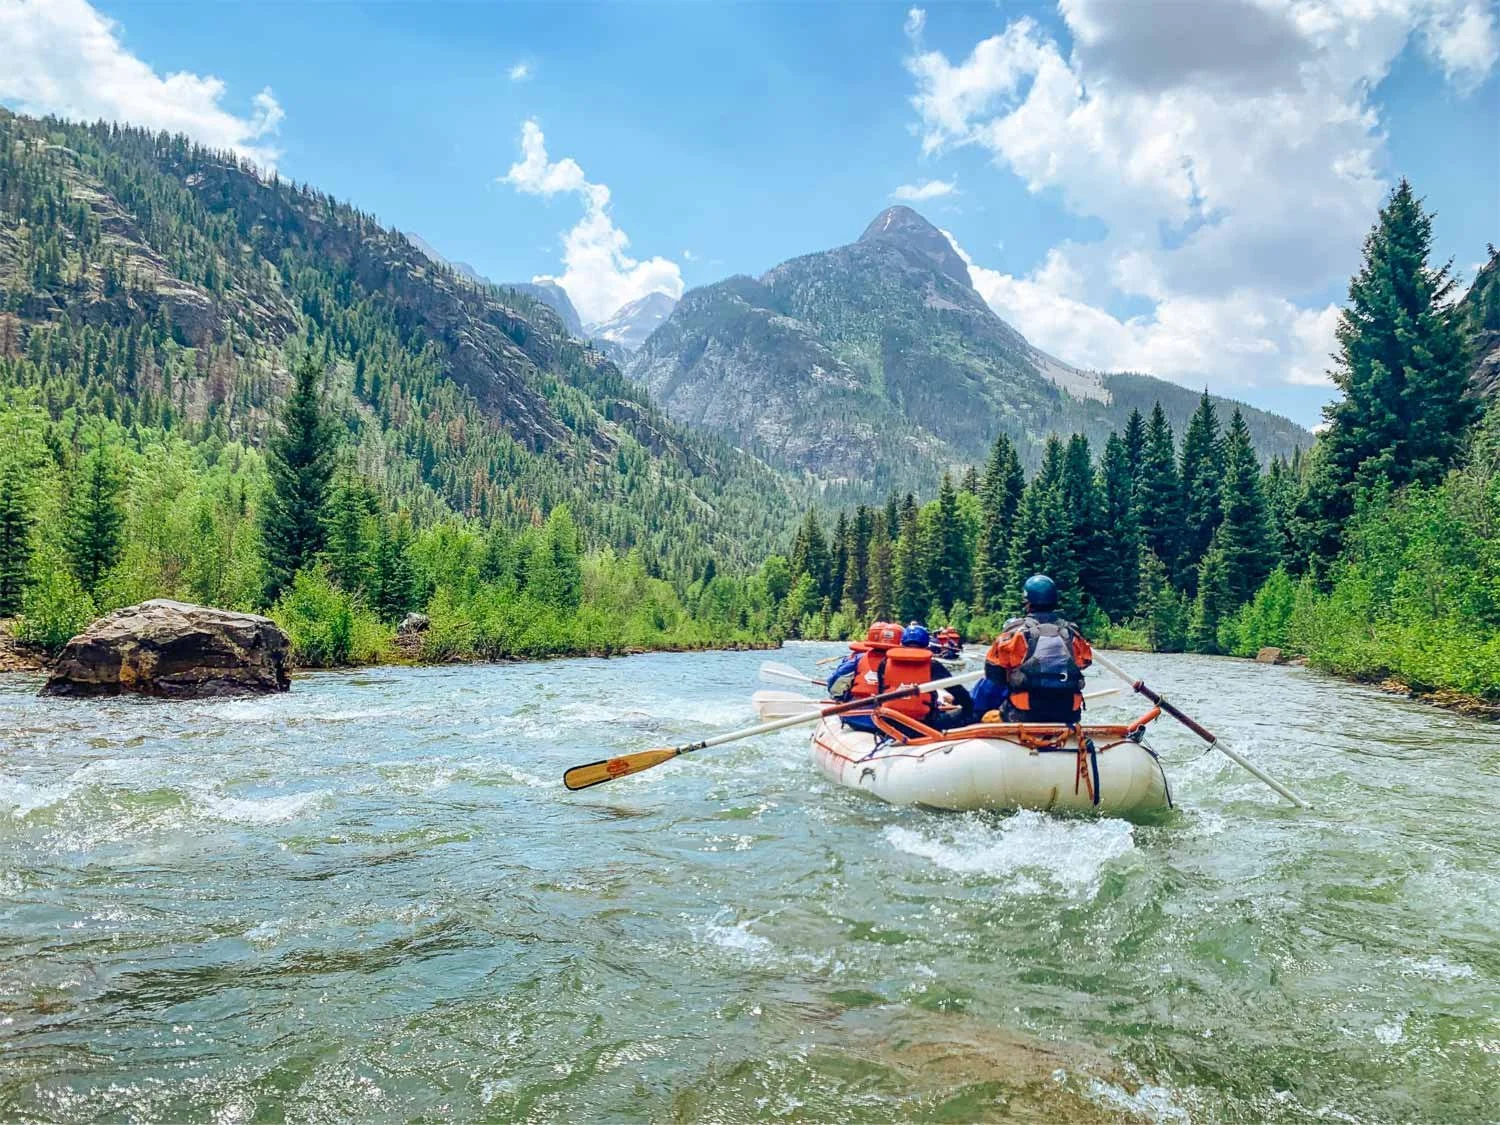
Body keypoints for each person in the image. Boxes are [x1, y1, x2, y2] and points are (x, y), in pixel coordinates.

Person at [972, 574, 1093, 724]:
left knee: (988, 716)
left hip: (1024, 714)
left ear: (1028, 603)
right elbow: (1085, 662)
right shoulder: (1072, 633)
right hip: (1068, 713)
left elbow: (993, 672)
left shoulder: (1015, 633)